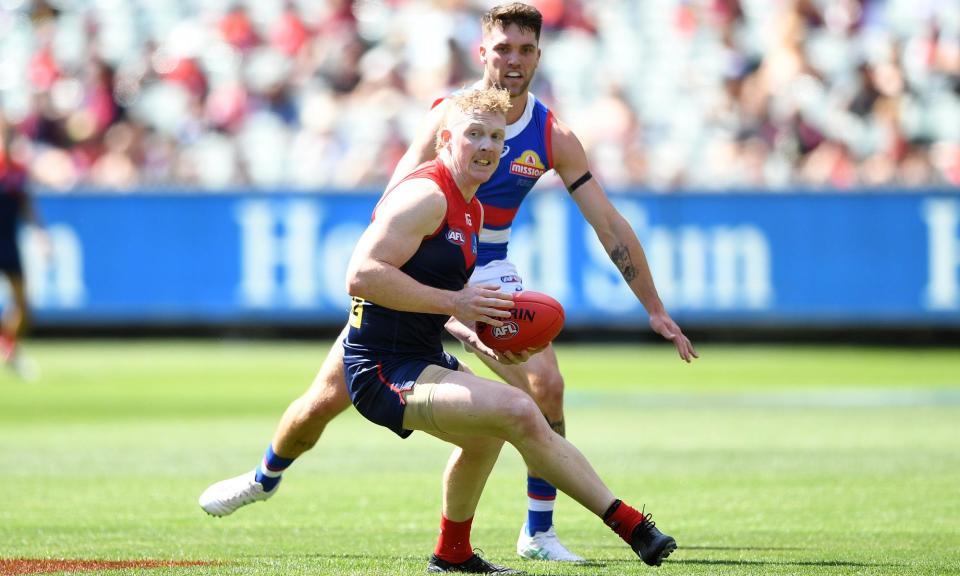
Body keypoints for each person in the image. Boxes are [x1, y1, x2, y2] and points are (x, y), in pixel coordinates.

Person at [200, 2, 697, 563]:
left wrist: (653, 306)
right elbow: (396, 196)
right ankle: (265, 476)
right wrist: (419, 284)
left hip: (484, 269)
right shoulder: (447, 116)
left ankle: (537, 530)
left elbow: (609, 223)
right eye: (502, 48)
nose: (513, 60)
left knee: (545, 386)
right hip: (422, 263)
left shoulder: (552, 134)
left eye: (525, 49)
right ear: (482, 52)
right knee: (321, 401)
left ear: (538, 54)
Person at [343, 85, 675, 574]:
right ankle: (630, 525)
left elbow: (437, 291)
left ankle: (452, 555)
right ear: (445, 140)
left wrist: (475, 332)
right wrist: (456, 302)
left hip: (420, 359)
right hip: (380, 369)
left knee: (487, 431)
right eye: (473, 134)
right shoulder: (425, 196)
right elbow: (361, 275)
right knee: (518, 408)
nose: (486, 146)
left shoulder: (471, 208)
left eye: (496, 138)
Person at [0, 113, 47, 381]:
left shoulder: (17, 171)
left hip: (8, 242)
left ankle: (8, 348)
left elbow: (27, 206)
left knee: (22, 306)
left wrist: (41, 234)